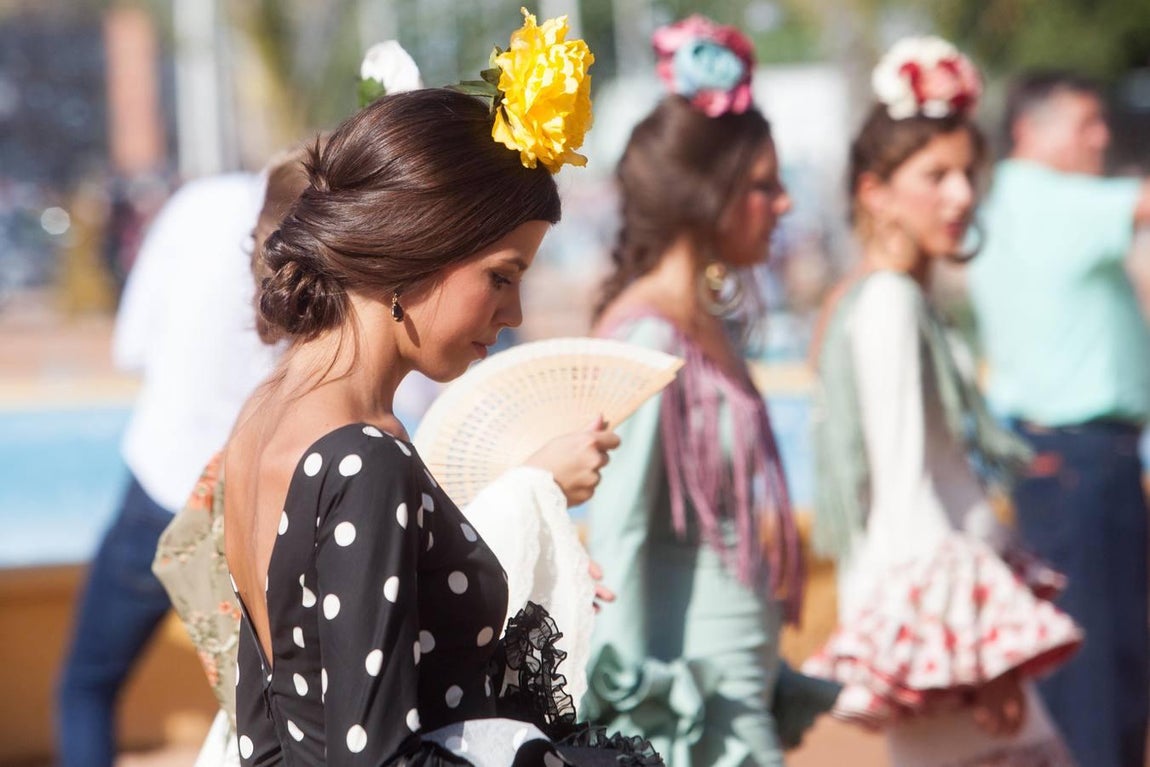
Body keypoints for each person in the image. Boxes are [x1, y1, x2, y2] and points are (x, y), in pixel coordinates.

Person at [213, 13, 659, 765]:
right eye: (502, 276)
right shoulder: (362, 456)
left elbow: (271, 723)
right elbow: (379, 758)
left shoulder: (267, 415)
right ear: (418, 244)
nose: (513, 312)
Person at [802, 38, 1083, 767]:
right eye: (936, 174)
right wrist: (980, 660)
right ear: (875, 191)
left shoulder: (885, 297)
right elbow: (903, 491)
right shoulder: (890, 302)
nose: (961, 193)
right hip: (943, 635)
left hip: (940, 622)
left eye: (967, 172)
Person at [582, 16, 836, 767]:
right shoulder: (651, 340)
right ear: (704, 194)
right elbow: (620, 529)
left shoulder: (701, 324)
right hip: (694, 704)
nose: (784, 204)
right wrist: (625, 705)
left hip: (739, 680)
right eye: (763, 186)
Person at [55, 170, 277, 767]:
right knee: (276, 714)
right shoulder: (341, 242)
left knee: (87, 684)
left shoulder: (202, 204)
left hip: (163, 482)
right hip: (263, 504)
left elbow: (130, 347)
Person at [967, 70, 1150, 767]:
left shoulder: (1015, 204)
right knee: (1105, 687)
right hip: (1085, 467)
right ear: (1028, 133)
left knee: (1093, 680)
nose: (1101, 138)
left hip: (1060, 465)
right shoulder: (1051, 199)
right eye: (1085, 124)